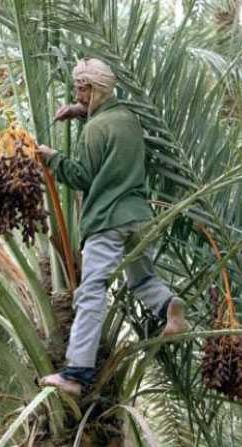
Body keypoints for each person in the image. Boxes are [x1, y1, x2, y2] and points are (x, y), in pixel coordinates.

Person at [36, 58, 189, 396]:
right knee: (143, 279)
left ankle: (76, 373)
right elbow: (111, 147)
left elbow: (82, 176)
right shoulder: (129, 121)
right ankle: (170, 308)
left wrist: (52, 157)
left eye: (81, 87)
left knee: (91, 292)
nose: (77, 92)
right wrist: (81, 112)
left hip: (107, 221)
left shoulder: (95, 129)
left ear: (94, 88)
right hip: (138, 217)